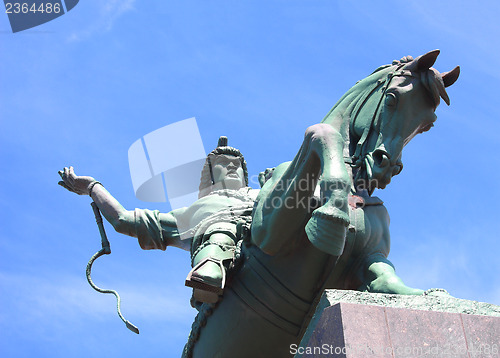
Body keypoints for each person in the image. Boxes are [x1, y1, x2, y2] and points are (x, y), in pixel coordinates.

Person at [58, 137, 259, 304]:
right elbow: (124, 220)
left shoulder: (265, 194)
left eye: (236, 165)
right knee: (220, 228)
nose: (232, 167)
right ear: (211, 175)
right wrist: (92, 187)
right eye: (223, 163)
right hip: (221, 248)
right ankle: (211, 266)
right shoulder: (194, 211)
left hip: (270, 233)